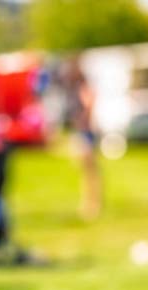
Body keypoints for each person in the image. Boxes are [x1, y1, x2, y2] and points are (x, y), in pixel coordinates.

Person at [57, 57, 102, 219]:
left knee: (89, 170)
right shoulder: (75, 86)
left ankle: (92, 204)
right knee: (86, 169)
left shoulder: (82, 86)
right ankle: (89, 203)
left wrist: (83, 120)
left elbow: (89, 102)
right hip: (82, 130)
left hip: (85, 131)